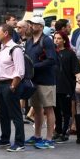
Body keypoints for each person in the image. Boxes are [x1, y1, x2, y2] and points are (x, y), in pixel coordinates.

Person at [0, 24, 27, 152]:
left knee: (15, 114)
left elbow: (20, 71)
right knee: (3, 114)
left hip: (10, 84)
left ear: (6, 33)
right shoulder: (2, 48)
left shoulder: (15, 49)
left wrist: (13, 86)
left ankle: (19, 143)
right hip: (0, 84)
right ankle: (5, 139)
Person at [25, 16, 58, 149]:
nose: (31, 26)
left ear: (40, 26)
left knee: (48, 108)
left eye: (33, 24)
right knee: (37, 108)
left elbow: (52, 59)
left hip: (46, 80)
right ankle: (37, 135)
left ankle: (49, 138)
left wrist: (34, 66)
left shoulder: (47, 40)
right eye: (30, 24)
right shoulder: (29, 41)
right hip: (33, 80)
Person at [53, 31, 79, 143]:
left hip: (66, 86)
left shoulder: (70, 53)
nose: (56, 40)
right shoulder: (52, 53)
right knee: (56, 110)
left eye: (59, 38)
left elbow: (76, 69)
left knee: (66, 111)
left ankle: (64, 132)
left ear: (64, 40)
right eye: (55, 38)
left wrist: (79, 77)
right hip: (53, 85)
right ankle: (58, 131)